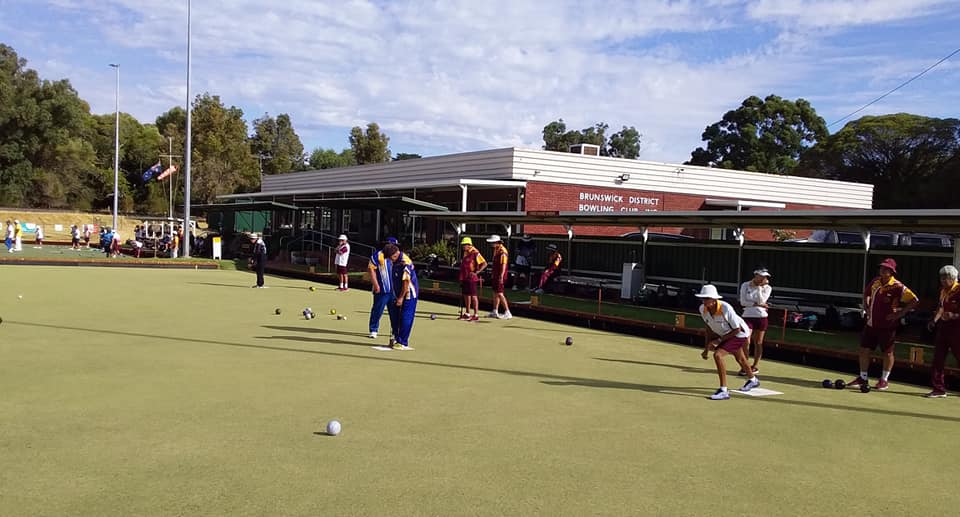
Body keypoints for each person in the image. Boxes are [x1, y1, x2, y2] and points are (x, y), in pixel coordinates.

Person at [848, 258, 919, 391]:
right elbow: (866, 294)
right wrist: (867, 307)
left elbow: (914, 300)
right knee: (864, 349)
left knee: (887, 352)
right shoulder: (875, 281)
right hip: (871, 323)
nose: (882, 270)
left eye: (886, 269)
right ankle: (863, 377)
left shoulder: (898, 286)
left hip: (887, 325)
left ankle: (884, 380)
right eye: (881, 268)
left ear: (891, 272)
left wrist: (900, 313)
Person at [696, 284, 760, 400]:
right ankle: (753, 380)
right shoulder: (702, 309)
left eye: (707, 298)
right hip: (726, 334)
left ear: (715, 299)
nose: (704, 301)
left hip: (739, 333)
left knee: (718, 355)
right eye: (703, 298)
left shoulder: (725, 308)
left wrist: (718, 341)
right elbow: (709, 329)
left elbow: (737, 329)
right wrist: (706, 349)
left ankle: (723, 390)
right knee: (740, 358)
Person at [926, 265, 960, 398]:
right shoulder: (943, 291)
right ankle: (938, 388)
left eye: (945, 277)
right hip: (944, 328)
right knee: (938, 359)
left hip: (957, 329)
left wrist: (954, 316)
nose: (942, 280)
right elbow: (941, 307)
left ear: (952, 278)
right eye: (941, 277)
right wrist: (934, 320)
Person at [368, 242, 411, 339]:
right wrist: (376, 285)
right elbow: (371, 269)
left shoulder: (399, 257)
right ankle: (373, 329)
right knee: (377, 310)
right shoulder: (377, 256)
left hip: (394, 290)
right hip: (382, 289)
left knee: (395, 312)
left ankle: (395, 332)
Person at [739, 267, 772, 375]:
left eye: (765, 276)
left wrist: (758, 288)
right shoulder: (745, 285)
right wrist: (757, 304)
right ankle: (745, 365)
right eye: (761, 276)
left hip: (761, 316)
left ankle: (755, 366)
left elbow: (762, 300)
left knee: (758, 342)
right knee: (746, 341)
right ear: (756, 275)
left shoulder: (767, 288)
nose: (764, 278)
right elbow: (743, 302)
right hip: (747, 316)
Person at [387, 245, 419, 350]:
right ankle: (396, 337)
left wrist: (401, 298)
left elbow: (406, 282)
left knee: (406, 316)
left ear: (395, 255)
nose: (389, 259)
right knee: (395, 314)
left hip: (409, 292)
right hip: (398, 291)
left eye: (389, 257)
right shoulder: (396, 260)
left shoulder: (405, 262)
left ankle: (402, 341)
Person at [458, 236, 487, 321]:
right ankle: (467, 313)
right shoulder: (466, 252)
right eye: (463, 245)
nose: (463, 246)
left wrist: (476, 272)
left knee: (473, 296)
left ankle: (476, 314)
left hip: (472, 278)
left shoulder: (475, 253)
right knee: (466, 295)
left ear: (469, 245)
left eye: (464, 245)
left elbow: (484, 263)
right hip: (465, 277)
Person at [486, 234, 512, 319]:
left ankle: (507, 312)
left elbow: (504, 264)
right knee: (495, 292)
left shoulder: (502, 251)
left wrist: (501, 275)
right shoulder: (496, 250)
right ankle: (495, 311)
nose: (491, 244)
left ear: (497, 242)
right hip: (496, 274)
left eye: (492, 242)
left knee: (500, 293)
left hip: (500, 275)